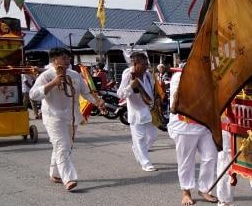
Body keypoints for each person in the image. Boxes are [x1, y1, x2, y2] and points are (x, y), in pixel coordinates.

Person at [29, 47, 105, 191]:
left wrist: (98, 102)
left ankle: (54, 173)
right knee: (62, 145)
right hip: (53, 117)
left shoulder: (75, 75)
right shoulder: (46, 75)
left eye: (67, 58)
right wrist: (53, 83)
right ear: (53, 60)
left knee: (64, 146)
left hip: (72, 116)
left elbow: (86, 93)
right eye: (63, 58)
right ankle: (69, 178)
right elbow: (33, 95)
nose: (67, 61)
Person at [167, 69, 219, 206]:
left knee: (211, 156)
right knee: (186, 161)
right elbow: (177, 103)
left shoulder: (209, 76)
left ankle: (205, 188)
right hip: (184, 126)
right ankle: (186, 192)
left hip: (204, 125)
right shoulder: (179, 76)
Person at [117, 52, 159, 172]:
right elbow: (120, 94)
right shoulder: (128, 74)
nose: (146, 67)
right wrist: (131, 86)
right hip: (136, 113)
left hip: (149, 111)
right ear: (134, 64)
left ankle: (137, 150)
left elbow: (152, 91)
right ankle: (146, 163)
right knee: (140, 138)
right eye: (143, 64)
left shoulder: (148, 75)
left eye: (147, 64)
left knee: (153, 137)